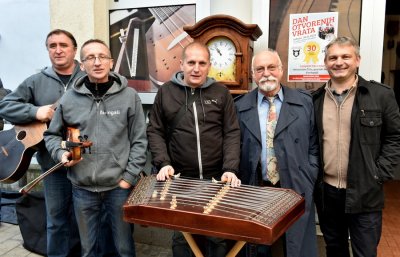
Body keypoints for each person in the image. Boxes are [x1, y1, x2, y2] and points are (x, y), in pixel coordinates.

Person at [44, 39, 147, 257]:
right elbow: (52, 135)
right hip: (82, 189)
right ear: (82, 65)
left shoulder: (129, 97)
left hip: (118, 188)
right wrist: (61, 153)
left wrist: (128, 178)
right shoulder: (69, 99)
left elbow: (139, 140)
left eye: (102, 57)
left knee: (124, 248)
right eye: (90, 57)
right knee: (88, 249)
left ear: (111, 62)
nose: (97, 62)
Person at [147, 41, 241, 257]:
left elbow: (232, 133)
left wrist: (230, 168)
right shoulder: (166, 92)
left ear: (209, 66)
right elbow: (155, 131)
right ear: (181, 64)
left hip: (216, 178)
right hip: (181, 179)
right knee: (182, 238)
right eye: (191, 62)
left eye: (201, 63)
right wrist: (164, 163)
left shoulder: (221, 92)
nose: (196, 68)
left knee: (216, 236)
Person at [312, 36, 400, 257]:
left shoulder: (380, 95)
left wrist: (378, 174)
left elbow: (395, 137)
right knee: (334, 248)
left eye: (345, 56)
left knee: (365, 252)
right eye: (333, 57)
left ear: (357, 60)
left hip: (365, 192)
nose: (339, 62)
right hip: (328, 193)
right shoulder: (315, 100)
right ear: (325, 62)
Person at [0, 29, 83, 256]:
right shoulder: (36, 81)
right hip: (51, 163)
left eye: (63, 45)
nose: (58, 50)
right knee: (55, 220)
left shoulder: (87, 78)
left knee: (85, 221)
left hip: (85, 162)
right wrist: (36, 112)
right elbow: (5, 106)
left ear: (74, 49)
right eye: (52, 46)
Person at [235, 49, 319, 257]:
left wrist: (309, 174)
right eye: (260, 69)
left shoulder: (304, 102)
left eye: (271, 67)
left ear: (281, 70)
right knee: (257, 246)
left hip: (295, 185)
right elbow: (233, 146)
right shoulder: (240, 106)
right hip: (257, 188)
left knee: (295, 246)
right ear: (253, 74)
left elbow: (314, 143)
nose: (266, 73)